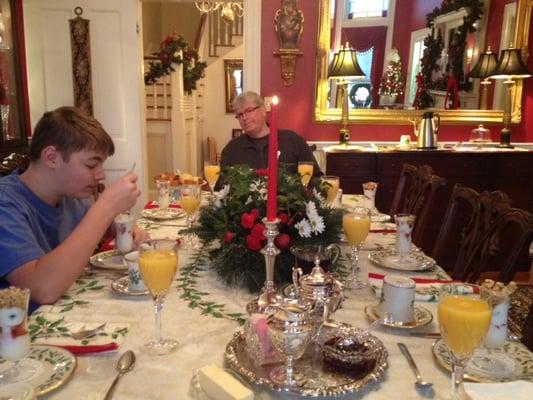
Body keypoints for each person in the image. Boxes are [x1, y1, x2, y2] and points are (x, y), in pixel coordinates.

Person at [0, 106, 144, 311]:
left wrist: (122, 228)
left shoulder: (70, 197)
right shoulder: (6, 204)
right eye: (91, 165)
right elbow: (43, 289)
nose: (101, 175)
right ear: (51, 157)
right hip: (25, 333)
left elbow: (99, 230)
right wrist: (106, 206)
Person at [220, 91, 322, 176]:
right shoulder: (232, 149)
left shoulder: (292, 141)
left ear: (263, 110)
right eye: (240, 115)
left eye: (249, 111)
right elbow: (221, 186)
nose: (244, 118)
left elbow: (316, 178)